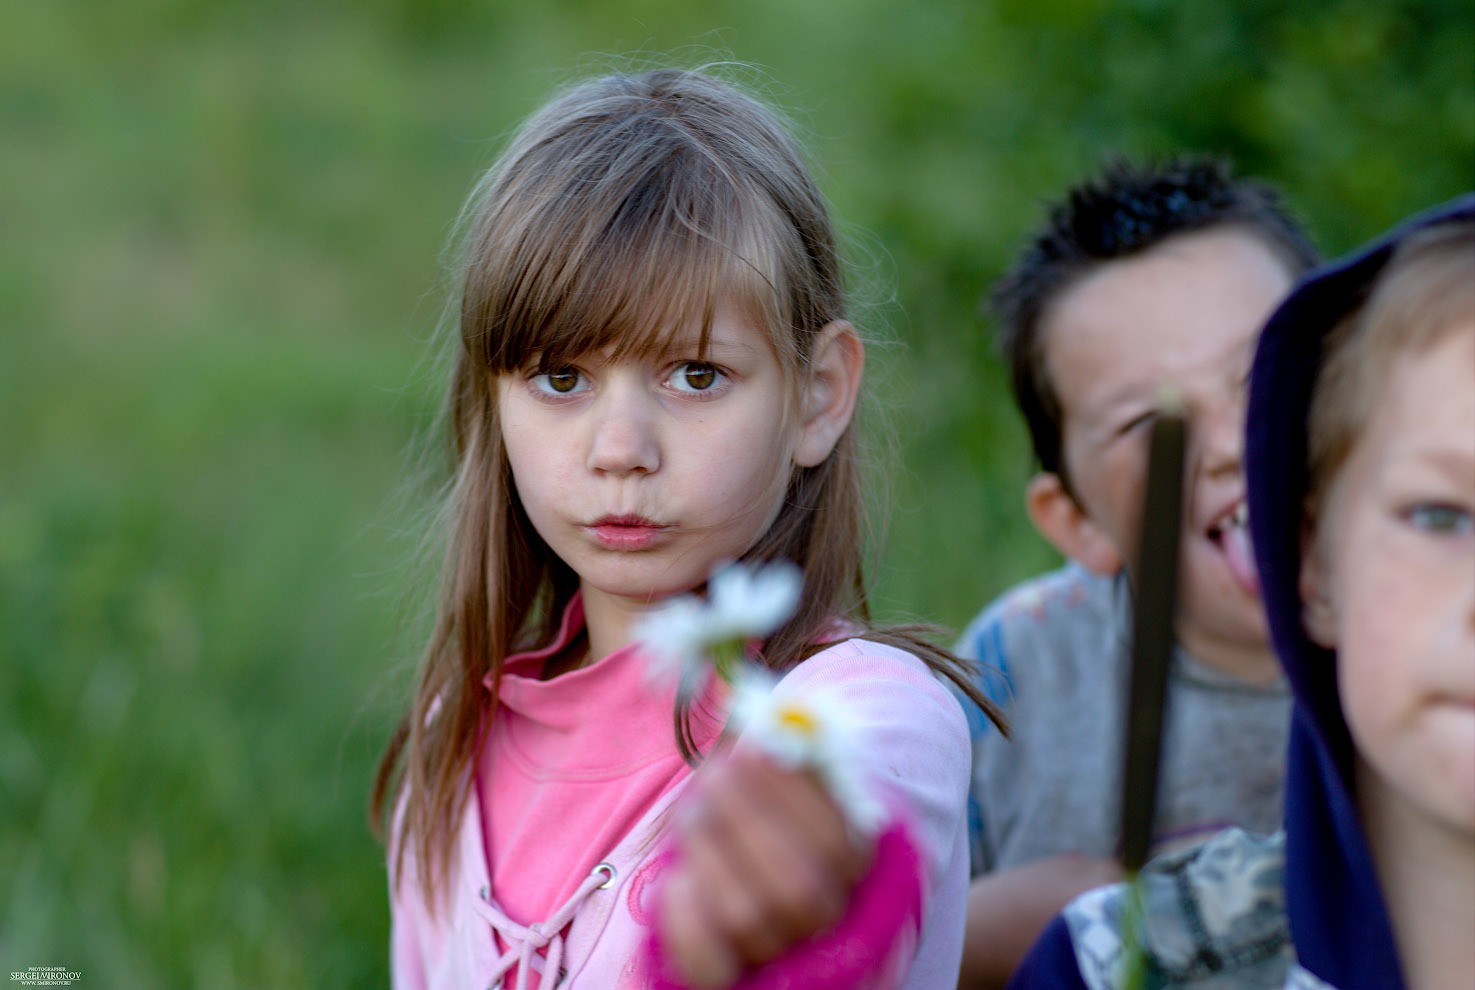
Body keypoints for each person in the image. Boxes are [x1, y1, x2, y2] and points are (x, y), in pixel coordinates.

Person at [368, 65, 997, 990]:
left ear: (817, 396)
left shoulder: (856, 723)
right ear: (493, 403)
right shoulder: (453, 743)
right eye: (560, 377)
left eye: (695, 375)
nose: (620, 449)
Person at [1008, 194, 1475, 989]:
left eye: (1254, 386)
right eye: (1438, 516)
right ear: (1312, 559)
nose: (1229, 446)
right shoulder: (1113, 962)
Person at [955, 156, 1321, 988]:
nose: (1228, 444)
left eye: (1261, 374)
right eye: (1148, 423)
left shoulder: (1442, 632)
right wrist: (977, 933)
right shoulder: (1015, 674)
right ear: (1075, 520)